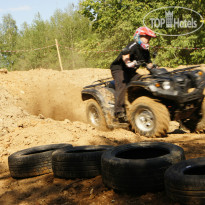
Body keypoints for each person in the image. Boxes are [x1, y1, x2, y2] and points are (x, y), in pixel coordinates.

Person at [110, 26, 156, 122]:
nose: (148, 39)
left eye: (149, 38)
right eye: (146, 37)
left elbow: (149, 63)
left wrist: (155, 70)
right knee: (122, 86)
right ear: (139, 36)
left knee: (142, 81)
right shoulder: (133, 45)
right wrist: (128, 62)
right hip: (119, 69)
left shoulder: (145, 50)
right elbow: (125, 55)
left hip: (130, 71)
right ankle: (119, 112)